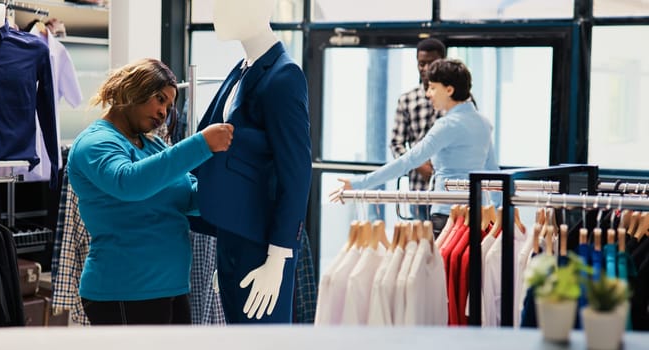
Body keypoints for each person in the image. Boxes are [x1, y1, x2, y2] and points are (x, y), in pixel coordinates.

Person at [66, 58, 234, 325]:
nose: (164, 112)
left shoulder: (153, 145)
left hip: (172, 289)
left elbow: (189, 196)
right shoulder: (95, 142)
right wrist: (202, 143)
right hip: (123, 291)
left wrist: (238, 184)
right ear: (133, 90)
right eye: (159, 99)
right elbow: (129, 183)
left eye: (169, 106)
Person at [192, 0, 311, 323]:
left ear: (262, 8)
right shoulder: (243, 68)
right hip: (233, 236)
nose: (216, 14)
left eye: (226, 5)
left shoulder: (284, 76)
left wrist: (278, 257)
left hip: (261, 245)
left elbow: (297, 173)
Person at [332, 59, 499, 237]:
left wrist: (358, 183)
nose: (428, 94)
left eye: (433, 87)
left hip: (448, 216)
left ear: (449, 90)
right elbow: (493, 172)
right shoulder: (483, 123)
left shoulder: (447, 125)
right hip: (479, 215)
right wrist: (497, 214)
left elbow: (408, 161)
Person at [390, 38, 446, 220]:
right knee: (422, 242)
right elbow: (396, 143)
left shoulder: (457, 99)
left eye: (431, 63)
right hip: (419, 189)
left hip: (450, 188)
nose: (426, 68)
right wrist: (418, 164)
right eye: (421, 63)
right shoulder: (407, 99)